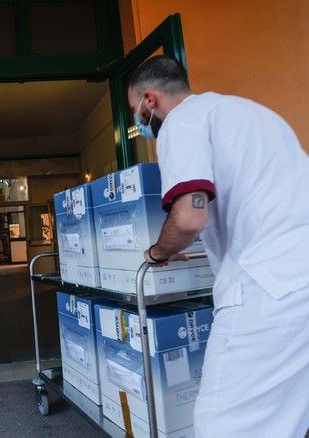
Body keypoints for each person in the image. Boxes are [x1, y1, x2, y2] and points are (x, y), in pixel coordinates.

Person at [127, 55, 309, 437]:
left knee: (224, 423)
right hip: (298, 274)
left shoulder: (181, 122)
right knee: (287, 418)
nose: (140, 122)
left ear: (149, 100)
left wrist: (159, 252)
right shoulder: (253, 114)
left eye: (136, 112)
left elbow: (189, 216)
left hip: (269, 286)